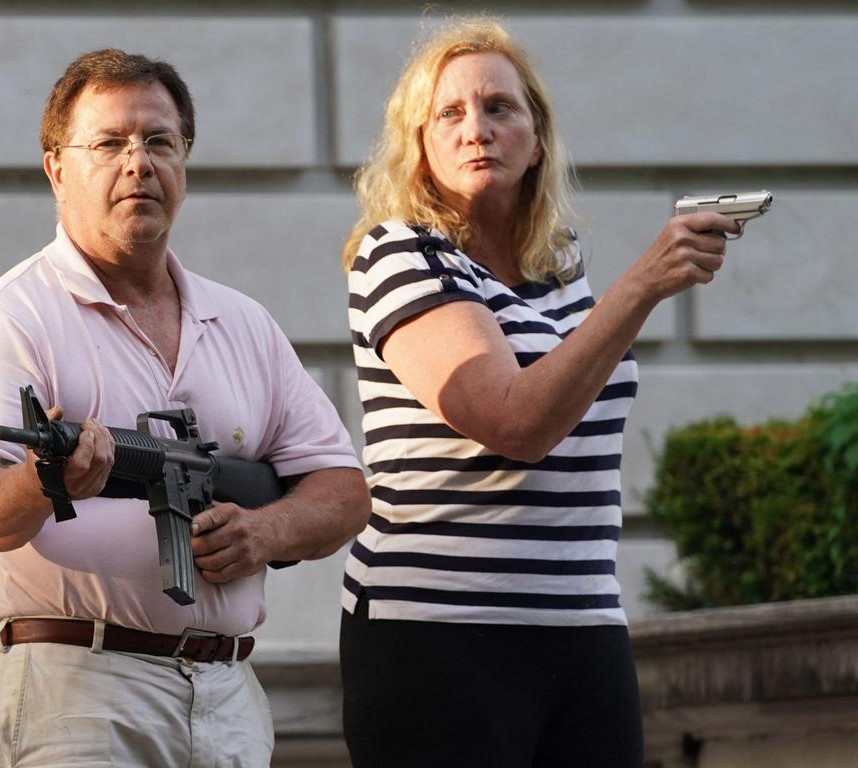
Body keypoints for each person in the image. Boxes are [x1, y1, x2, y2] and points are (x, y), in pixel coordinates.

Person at [0, 48, 369, 767]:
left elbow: (344, 490)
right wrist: (44, 479)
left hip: (228, 693)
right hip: (80, 695)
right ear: (57, 169)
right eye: (108, 143)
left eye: (159, 141)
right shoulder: (11, 321)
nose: (138, 163)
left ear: (185, 162)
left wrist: (266, 530)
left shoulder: (242, 324)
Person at [338, 19, 740, 768]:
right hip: (439, 634)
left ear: (538, 135)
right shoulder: (398, 253)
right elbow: (512, 421)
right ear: (418, 144)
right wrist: (643, 285)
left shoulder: (560, 273)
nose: (476, 130)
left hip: (582, 624)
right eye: (448, 114)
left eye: (499, 107)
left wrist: (617, 294)